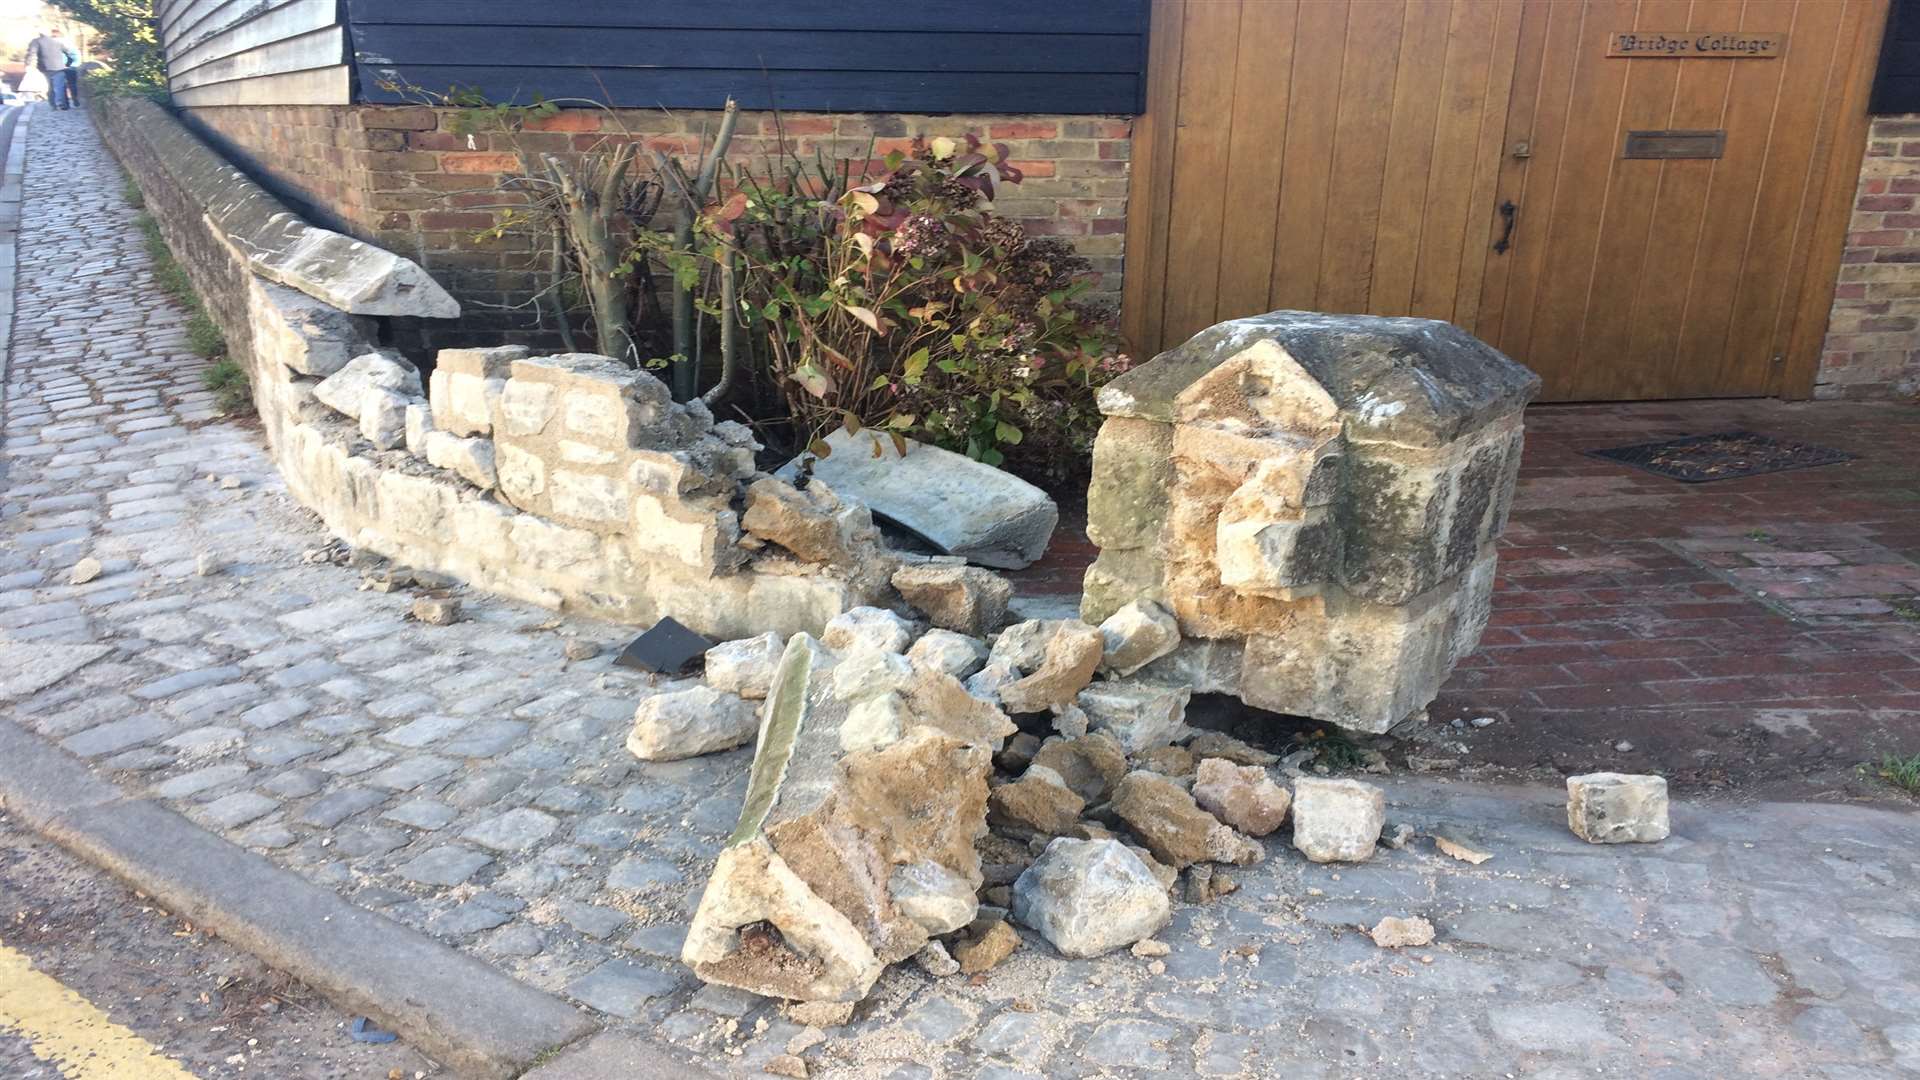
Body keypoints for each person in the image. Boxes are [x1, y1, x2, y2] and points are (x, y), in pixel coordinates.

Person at [24, 29, 75, 110]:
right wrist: (68, 64)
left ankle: (53, 104)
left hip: (45, 67)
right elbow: (70, 53)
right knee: (59, 86)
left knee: (50, 86)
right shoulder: (57, 42)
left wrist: (30, 65)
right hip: (59, 67)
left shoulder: (36, 41)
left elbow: (32, 53)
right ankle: (61, 103)